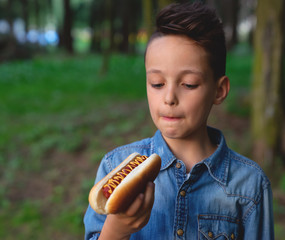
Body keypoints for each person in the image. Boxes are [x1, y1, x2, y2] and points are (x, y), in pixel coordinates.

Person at [84, 2, 274, 239]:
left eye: (189, 84)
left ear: (219, 90)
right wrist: (117, 229)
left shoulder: (250, 185)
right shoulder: (114, 166)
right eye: (157, 84)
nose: (169, 98)